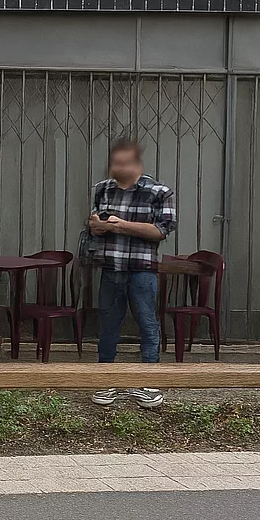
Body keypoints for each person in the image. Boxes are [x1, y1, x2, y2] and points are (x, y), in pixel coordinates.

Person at [86, 136, 177, 409]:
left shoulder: (159, 192)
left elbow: (161, 231)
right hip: (110, 268)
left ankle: (148, 383)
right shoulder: (103, 189)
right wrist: (96, 225)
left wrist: (121, 226)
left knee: (147, 323)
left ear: (137, 163)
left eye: (124, 162)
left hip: (142, 269)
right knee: (107, 325)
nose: (119, 167)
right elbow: (94, 223)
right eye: (115, 162)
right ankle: (105, 382)